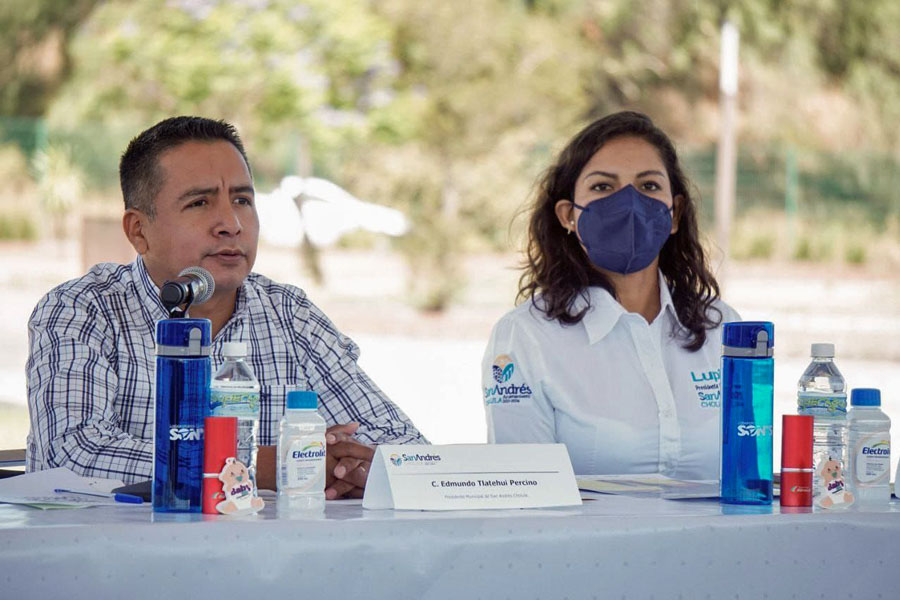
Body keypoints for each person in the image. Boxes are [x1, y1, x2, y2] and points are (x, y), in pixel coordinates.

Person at [26, 116, 426, 497]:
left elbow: (403, 444)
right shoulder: (83, 310)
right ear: (139, 231)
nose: (231, 223)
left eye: (242, 200)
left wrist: (352, 469)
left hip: (272, 559)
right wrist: (268, 467)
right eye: (200, 203)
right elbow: (72, 455)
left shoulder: (288, 313)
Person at [482, 111, 740, 480]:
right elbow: (525, 489)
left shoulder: (724, 328)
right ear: (568, 215)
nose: (630, 204)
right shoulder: (524, 337)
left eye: (649, 186)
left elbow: (748, 473)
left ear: (675, 214)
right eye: (603, 187)